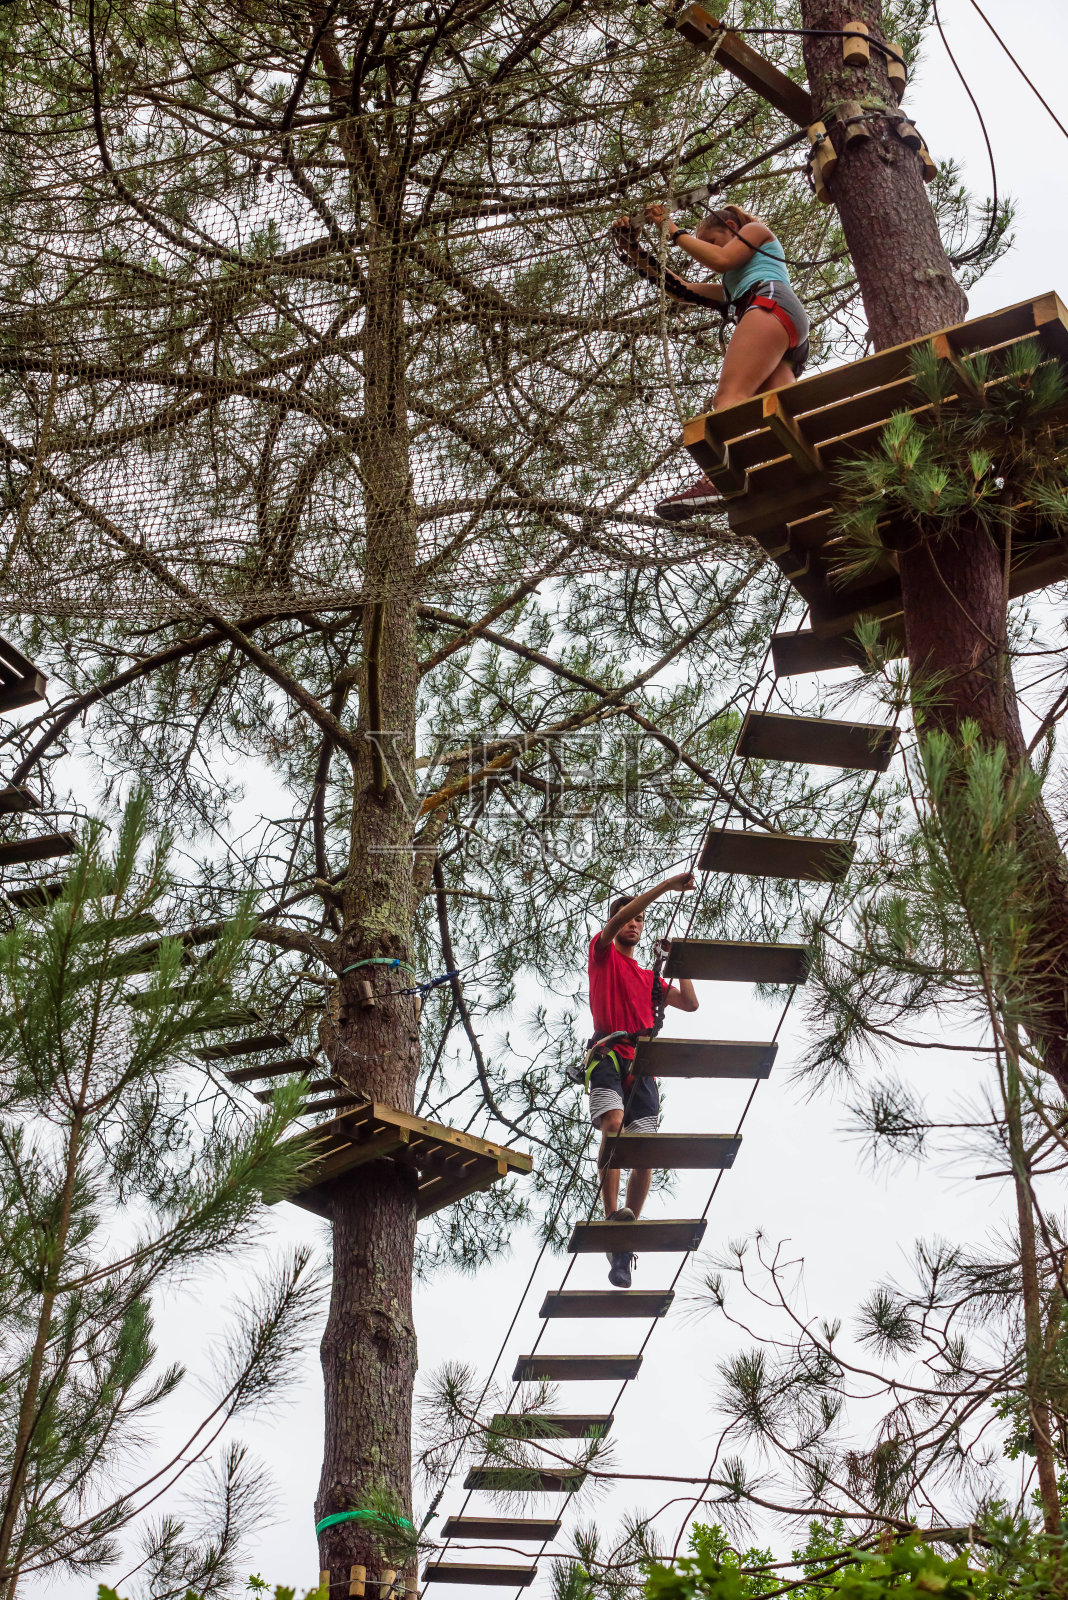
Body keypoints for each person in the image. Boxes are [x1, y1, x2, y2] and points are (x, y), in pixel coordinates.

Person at [611, 202, 810, 523]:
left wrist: (672, 230)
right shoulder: (734, 285)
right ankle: (786, 475)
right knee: (775, 413)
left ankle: (717, 480)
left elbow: (720, 259)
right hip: (784, 328)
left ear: (731, 227)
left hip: (771, 303)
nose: (710, 250)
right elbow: (681, 289)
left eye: (713, 240)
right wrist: (631, 248)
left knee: (729, 398)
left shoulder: (754, 231)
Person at [587, 873, 699, 1288]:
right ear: (615, 922)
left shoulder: (649, 978)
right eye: (627, 918)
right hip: (608, 1052)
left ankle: (623, 1240)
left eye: (640, 920)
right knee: (613, 1125)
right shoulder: (601, 954)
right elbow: (617, 923)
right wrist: (666, 887)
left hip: (643, 1063)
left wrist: (679, 960)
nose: (634, 924)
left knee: (644, 1153)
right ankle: (612, 1214)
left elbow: (690, 1003)